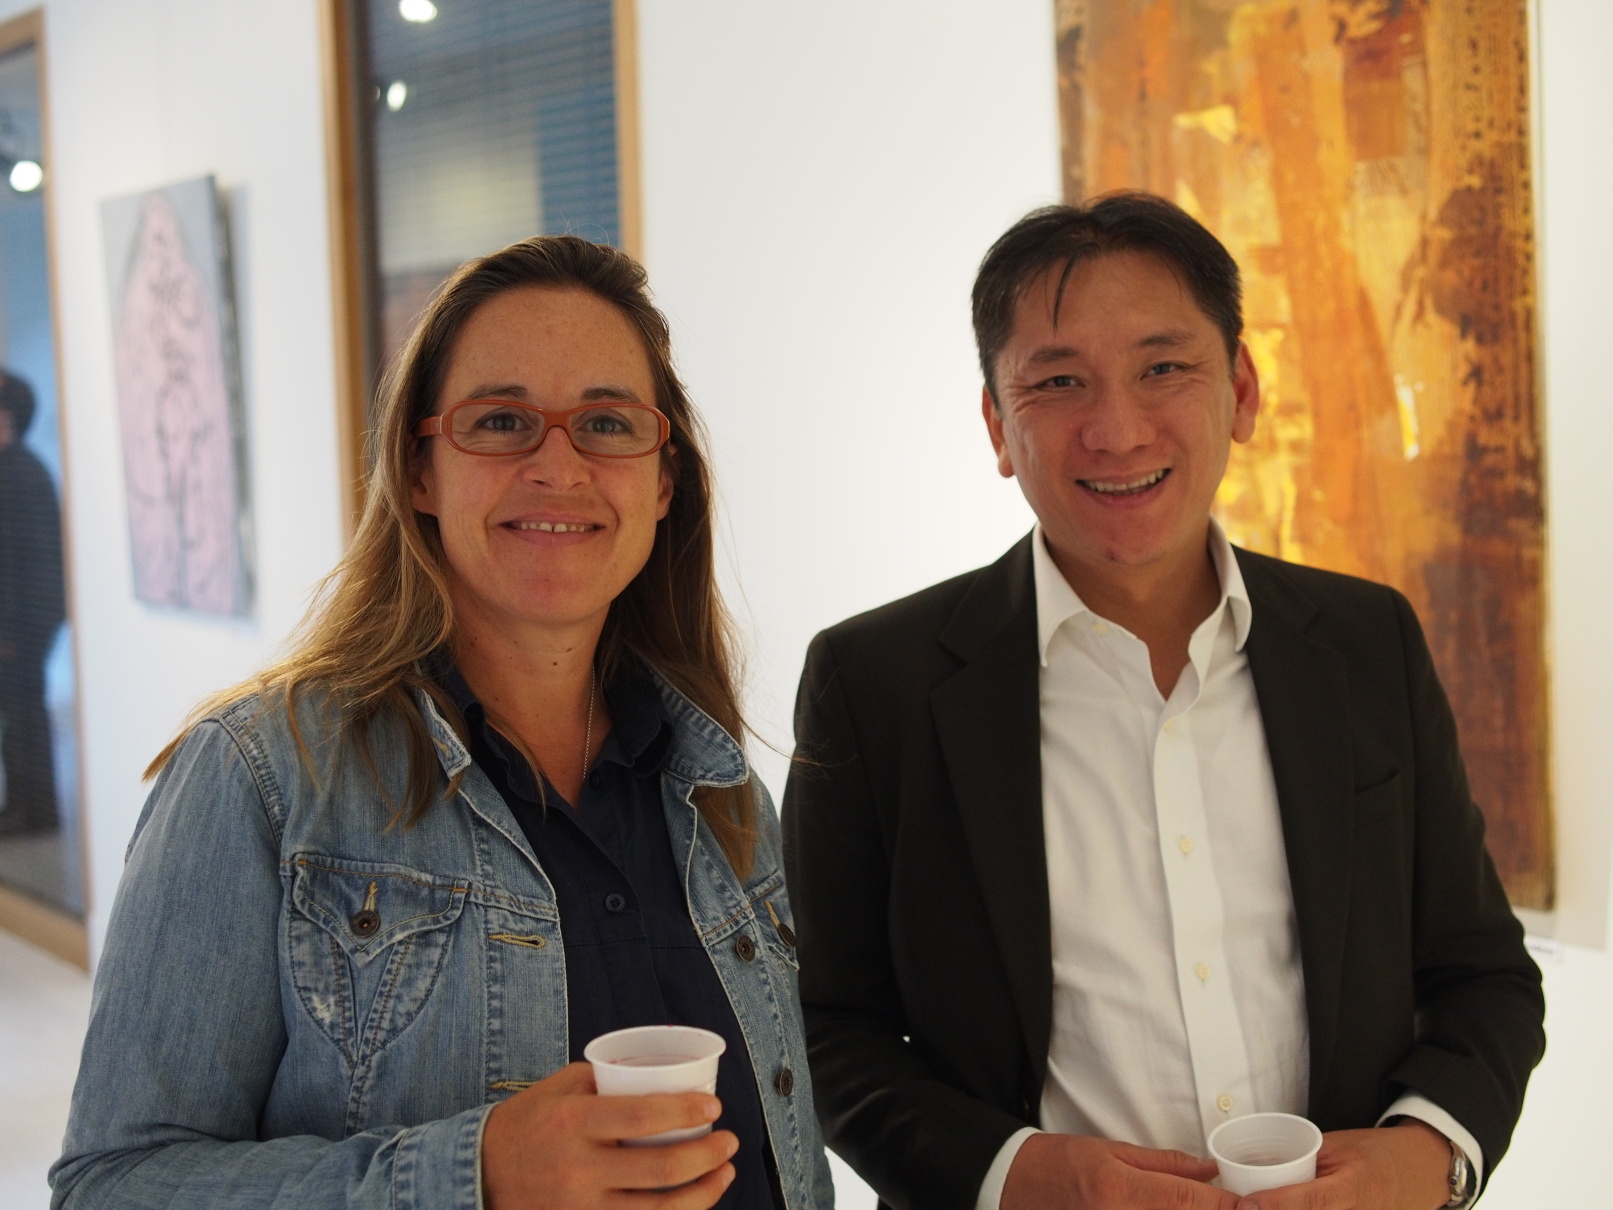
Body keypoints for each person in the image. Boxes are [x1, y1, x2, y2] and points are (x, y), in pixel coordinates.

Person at [782, 194, 1544, 1210]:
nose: (1116, 429)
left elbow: (1482, 974)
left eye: (1162, 367)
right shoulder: (876, 682)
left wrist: (1422, 1156)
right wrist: (1020, 1176)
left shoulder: (1366, 643)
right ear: (997, 424)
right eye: (1057, 381)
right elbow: (827, 1026)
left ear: (1240, 391)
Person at [53, 236, 832, 1210]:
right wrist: (475, 1175)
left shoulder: (719, 788)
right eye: (500, 420)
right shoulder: (260, 776)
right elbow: (112, 1184)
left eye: (606, 422)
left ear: (662, 482)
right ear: (419, 471)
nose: (559, 465)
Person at [0, 370, 66, 837]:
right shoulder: (17, 469)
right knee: (21, 717)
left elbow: (27, 564)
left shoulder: (18, 473)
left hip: (22, 627)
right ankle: (26, 809)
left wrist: (11, 633)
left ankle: (33, 813)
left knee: (25, 718)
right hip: (22, 625)